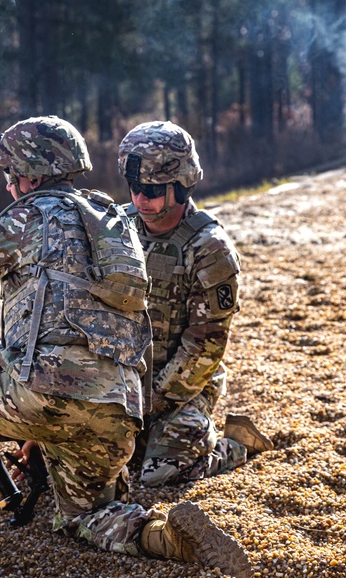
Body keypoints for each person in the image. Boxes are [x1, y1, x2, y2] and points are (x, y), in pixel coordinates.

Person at [0, 115, 253, 577]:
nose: (10, 188)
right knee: (86, 515)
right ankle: (169, 538)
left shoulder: (29, 215)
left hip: (67, 391)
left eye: (12, 178)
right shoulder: (114, 223)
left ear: (29, 176)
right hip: (117, 411)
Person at [116, 121, 273, 488]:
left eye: (153, 190)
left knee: (161, 472)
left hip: (181, 385)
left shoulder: (209, 248)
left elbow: (204, 348)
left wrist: (147, 406)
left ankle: (233, 444)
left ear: (183, 184)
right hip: (121, 383)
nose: (141, 199)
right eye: (135, 187)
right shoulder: (116, 230)